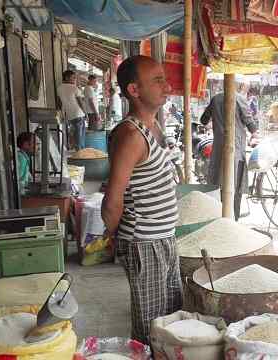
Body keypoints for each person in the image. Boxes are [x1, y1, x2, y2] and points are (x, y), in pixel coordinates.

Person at [101, 55, 181, 344]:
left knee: (170, 318)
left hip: (163, 239)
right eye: (157, 80)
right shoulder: (131, 135)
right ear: (134, 90)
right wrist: (112, 236)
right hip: (144, 242)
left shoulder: (153, 126)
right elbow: (113, 198)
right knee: (150, 326)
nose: (166, 86)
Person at [200, 90, 259, 220]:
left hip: (218, 150)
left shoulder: (215, 99)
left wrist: (213, 123)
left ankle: (220, 217)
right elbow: (250, 122)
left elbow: (203, 119)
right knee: (235, 185)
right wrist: (255, 134)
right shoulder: (239, 99)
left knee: (217, 183)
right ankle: (234, 219)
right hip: (235, 149)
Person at [57, 70, 86, 150]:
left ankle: (77, 151)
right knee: (80, 137)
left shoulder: (59, 88)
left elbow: (59, 103)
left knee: (75, 135)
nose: (74, 80)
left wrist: (61, 114)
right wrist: (85, 113)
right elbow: (80, 102)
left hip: (70, 116)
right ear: (66, 78)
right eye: (73, 78)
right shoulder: (74, 88)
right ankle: (80, 153)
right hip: (79, 114)